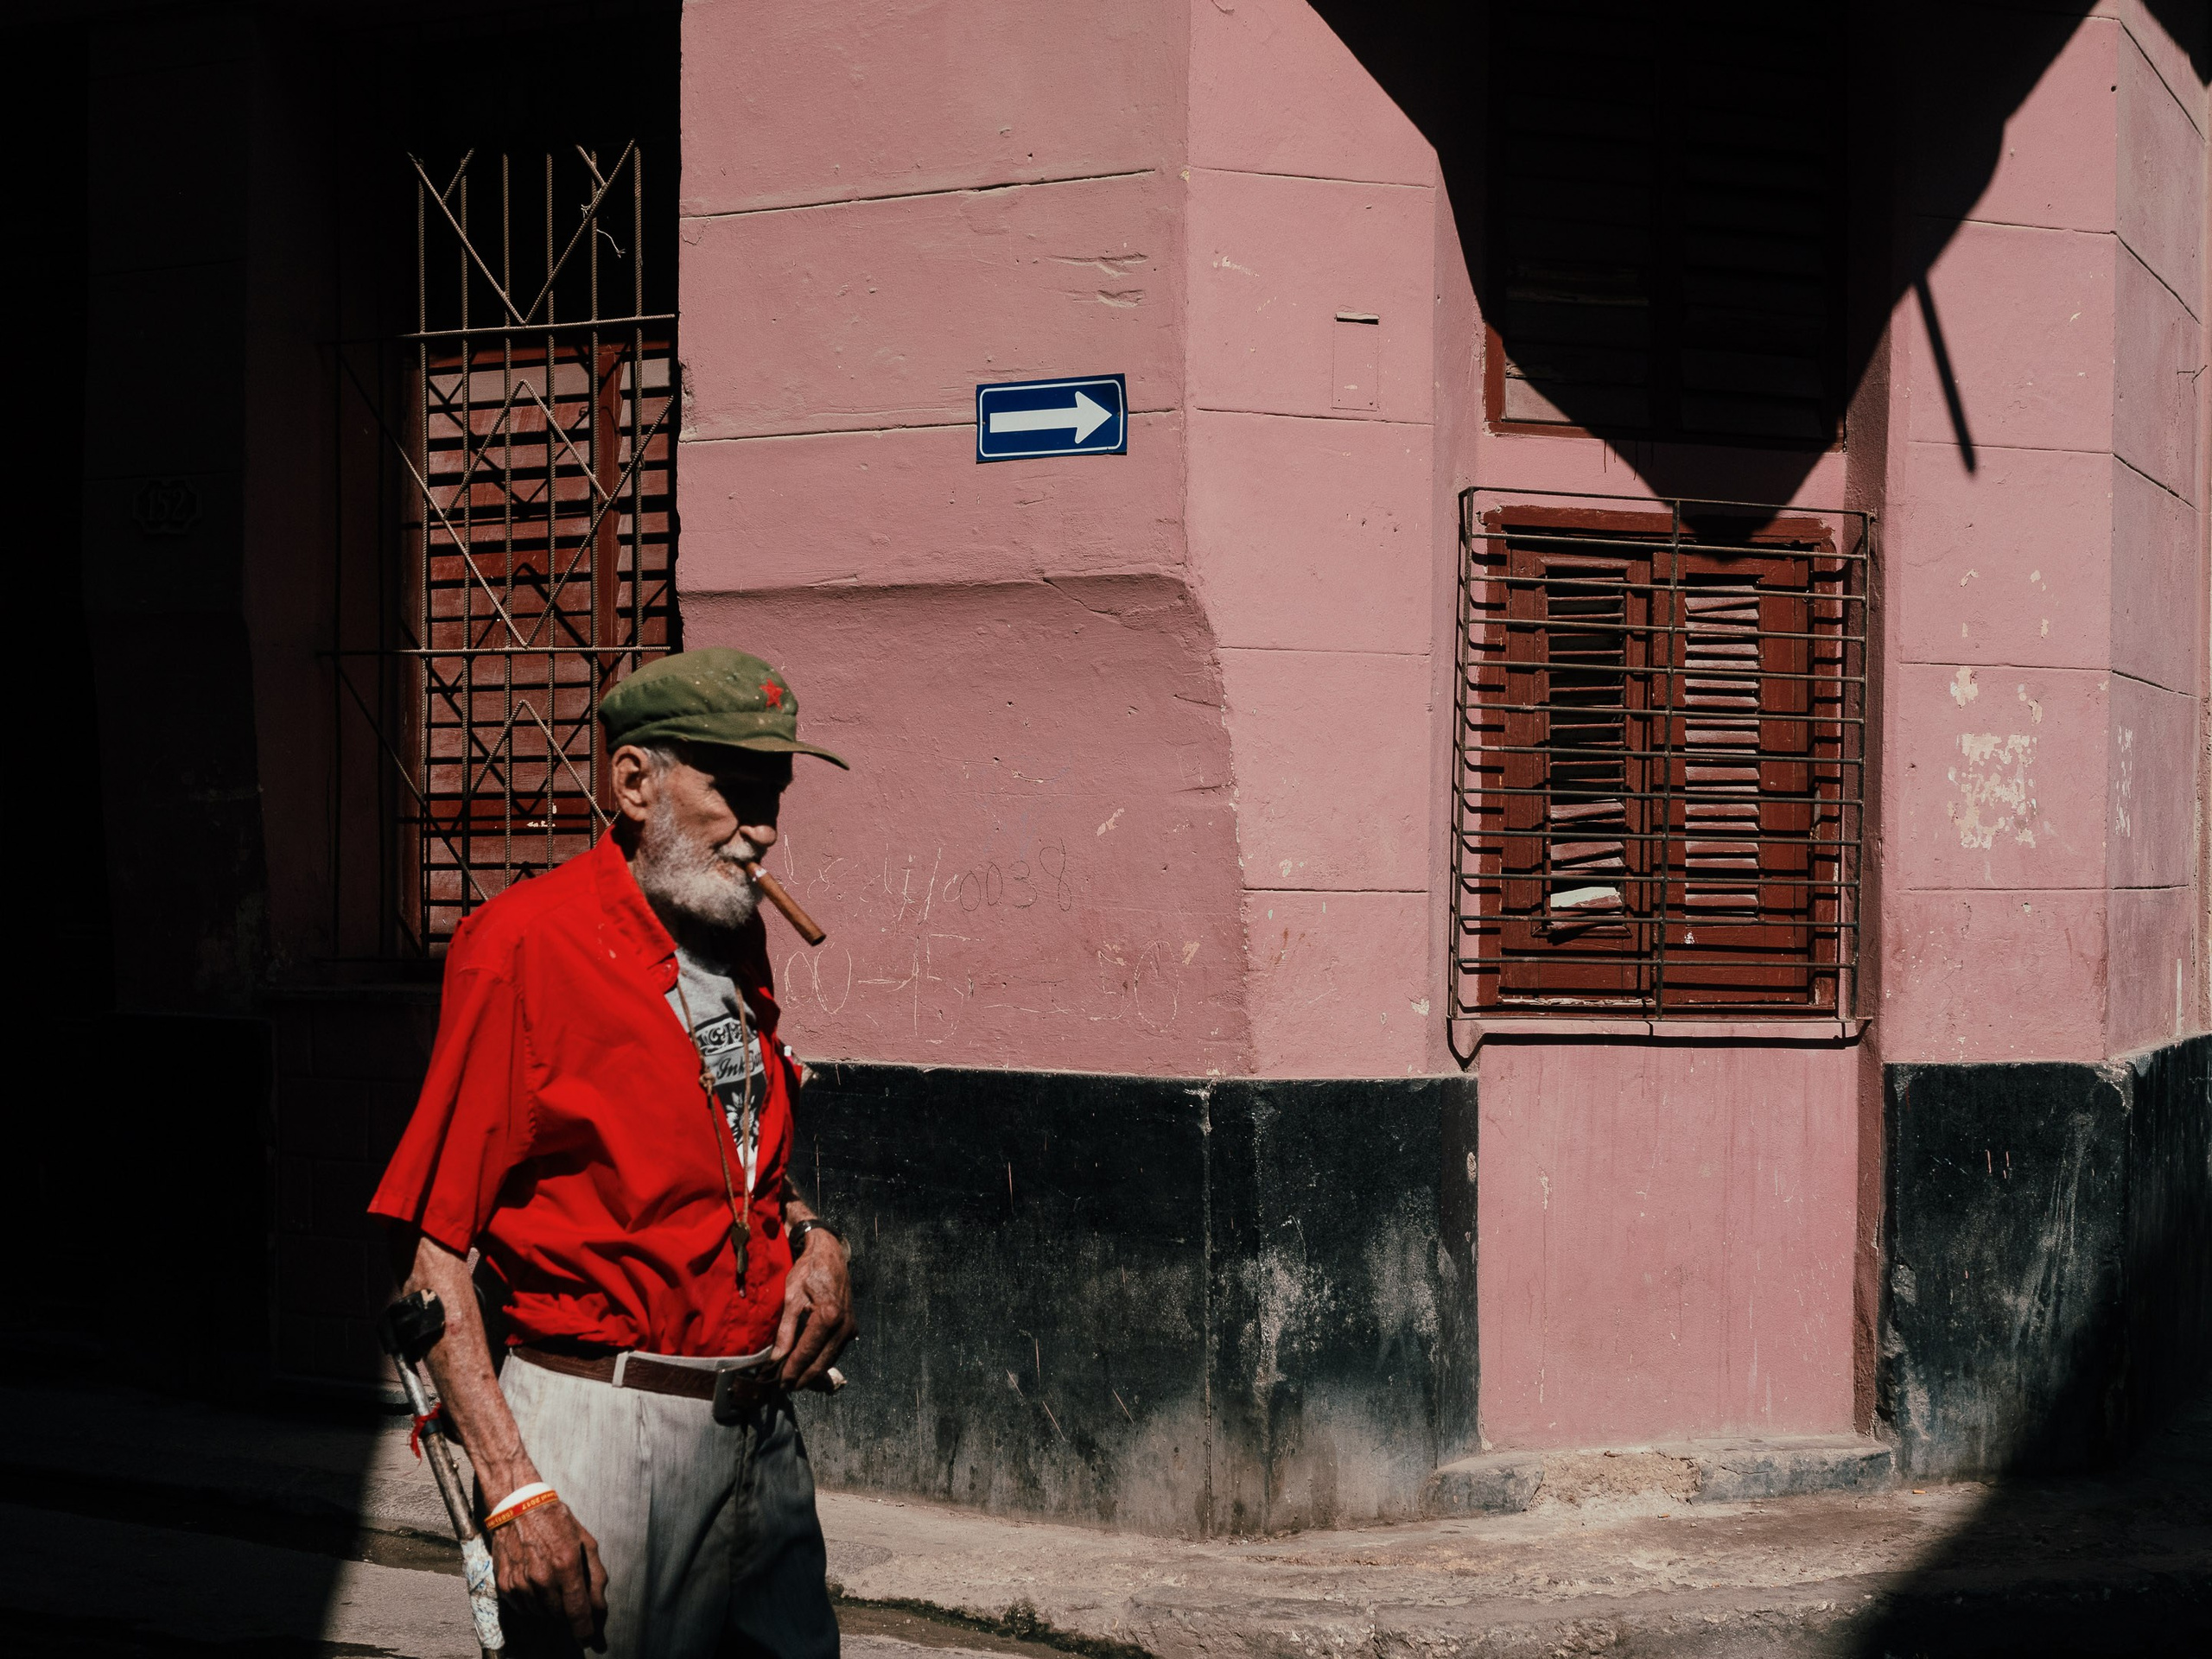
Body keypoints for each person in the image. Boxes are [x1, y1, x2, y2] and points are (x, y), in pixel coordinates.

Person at [368, 648, 858, 1659]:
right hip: (607, 1426)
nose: (762, 825)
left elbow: (734, 1148)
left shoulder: (731, 937)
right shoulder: (523, 947)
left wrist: (809, 1235)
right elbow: (432, 1259)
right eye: (735, 788)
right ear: (634, 783)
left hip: (758, 1429)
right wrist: (517, 1495)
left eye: (775, 792)